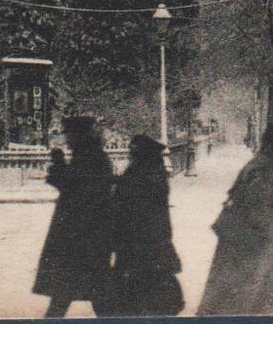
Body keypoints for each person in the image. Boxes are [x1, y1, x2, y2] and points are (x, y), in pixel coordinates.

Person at [196, 122, 273, 316]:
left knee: (241, 295)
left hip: (245, 241)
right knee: (243, 298)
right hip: (249, 245)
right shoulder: (266, 169)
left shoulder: (260, 164)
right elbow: (256, 207)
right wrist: (266, 234)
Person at [33, 116, 115, 318]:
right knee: (89, 291)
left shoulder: (89, 158)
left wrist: (58, 164)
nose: (67, 139)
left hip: (79, 235)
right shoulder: (92, 156)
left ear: (80, 135)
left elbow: (73, 188)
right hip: (88, 234)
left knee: (69, 291)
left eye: (70, 134)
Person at [104, 135, 185, 318]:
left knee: (140, 284)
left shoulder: (142, 175)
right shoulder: (153, 174)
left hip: (139, 240)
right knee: (152, 280)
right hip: (150, 239)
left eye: (134, 152)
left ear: (143, 155)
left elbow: (126, 201)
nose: (130, 155)